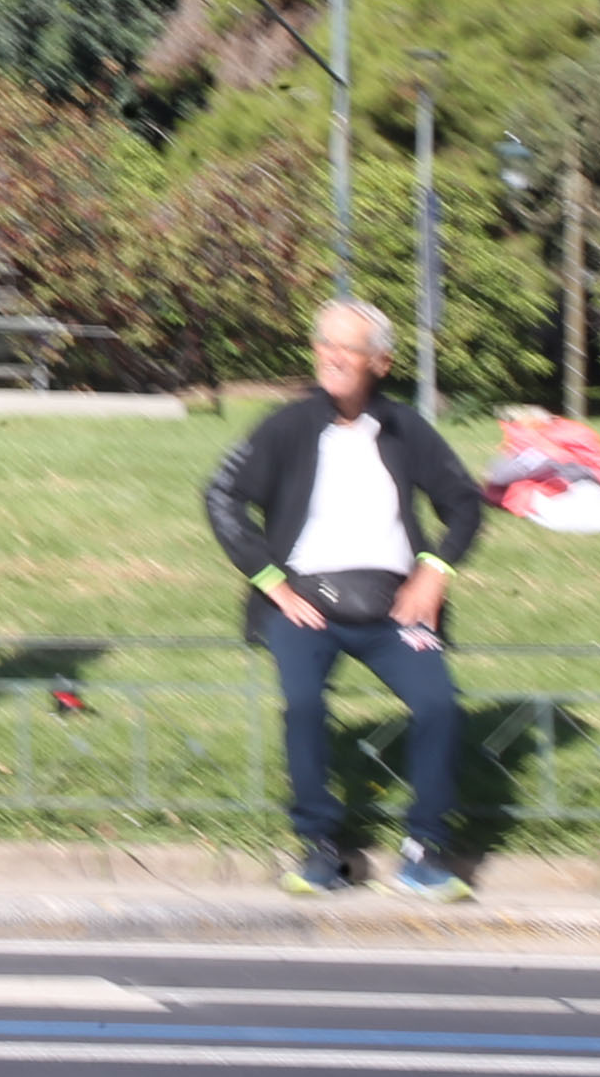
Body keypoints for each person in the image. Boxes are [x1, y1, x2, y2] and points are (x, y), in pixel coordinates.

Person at [202, 300, 485, 901]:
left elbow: (465, 502)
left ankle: (424, 850)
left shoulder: (407, 428)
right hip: (304, 606)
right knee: (303, 704)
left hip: (394, 609)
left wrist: (433, 571)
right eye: (323, 342)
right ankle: (319, 847)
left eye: (347, 347)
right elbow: (221, 495)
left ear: (380, 362)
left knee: (438, 704)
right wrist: (269, 581)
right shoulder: (288, 425)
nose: (331, 355)